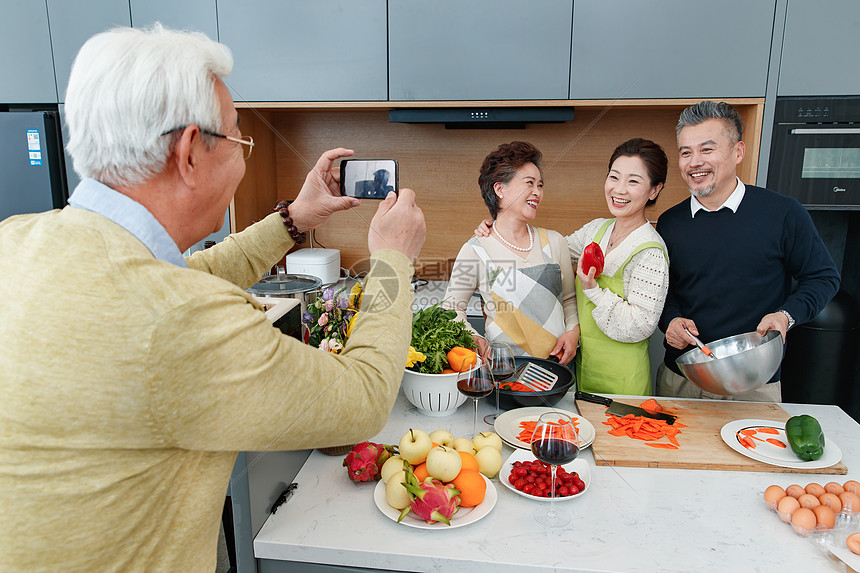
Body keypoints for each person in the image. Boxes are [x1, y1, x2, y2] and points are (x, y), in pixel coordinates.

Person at [0, 24, 425, 572]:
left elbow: (178, 274)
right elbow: (362, 400)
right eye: (239, 139)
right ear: (188, 154)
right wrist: (393, 262)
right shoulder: (180, 321)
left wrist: (294, 219)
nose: (244, 156)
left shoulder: (18, 238)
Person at [656, 100, 840, 401]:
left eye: (707, 149)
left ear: (738, 151)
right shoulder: (670, 222)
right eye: (685, 152)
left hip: (755, 383)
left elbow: (823, 277)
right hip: (682, 379)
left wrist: (785, 316)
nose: (694, 162)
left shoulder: (783, 213)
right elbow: (663, 290)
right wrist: (671, 320)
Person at [476, 138, 670, 395]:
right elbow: (547, 251)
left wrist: (592, 290)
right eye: (614, 177)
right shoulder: (596, 229)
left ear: (654, 191)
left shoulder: (651, 251)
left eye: (633, 181)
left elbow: (639, 326)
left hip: (622, 377)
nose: (619, 189)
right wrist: (499, 229)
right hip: (580, 367)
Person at [444, 141, 580, 364]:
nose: (537, 192)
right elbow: (450, 309)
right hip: (503, 371)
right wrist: (474, 337)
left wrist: (573, 332)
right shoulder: (475, 249)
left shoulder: (554, 242)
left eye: (540, 185)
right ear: (500, 189)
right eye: (529, 183)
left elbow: (569, 300)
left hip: (557, 369)